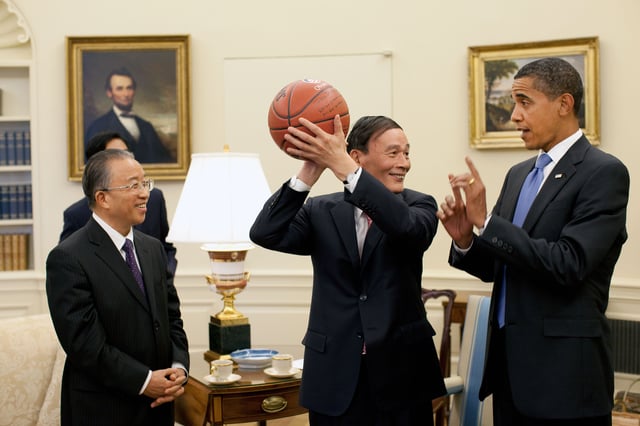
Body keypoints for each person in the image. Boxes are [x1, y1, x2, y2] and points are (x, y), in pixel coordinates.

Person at [438, 57, 629, 425]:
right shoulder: (519, 173)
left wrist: (489, 222)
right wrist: (466, 240)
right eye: (514, 103)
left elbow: (569, 264)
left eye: (525, 102)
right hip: (510, 374)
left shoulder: (604, 172)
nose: (514, 116)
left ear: (564, 104)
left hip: (566, 380)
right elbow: (501, 264)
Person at [250, 115, 446, 425]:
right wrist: (309, 171)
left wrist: (345, 169)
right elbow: (264, 232)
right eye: (393, 153)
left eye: (406, 153)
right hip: (334, 375)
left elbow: (406, 230)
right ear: (358, 157)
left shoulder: (419, 206)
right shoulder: (319, 211)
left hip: (403, 376)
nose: (404, 163)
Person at [46, 149, 189, 426]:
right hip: (103, 409)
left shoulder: (152, 248)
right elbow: (85, 346)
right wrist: (146, 381)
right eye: (133, 185)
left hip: (159, 407)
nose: (144, 193)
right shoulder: (68, 258)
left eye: (145, 183)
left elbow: (172, 318)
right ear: (103, 198)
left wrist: (178, 368)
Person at [61, 131, 177, 277]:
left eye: (127, 153)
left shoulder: (154, 201)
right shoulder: (76, 218)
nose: (144, 194)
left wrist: (163, 280)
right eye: (115, 155)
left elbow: (166, 249)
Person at [85, 67, 174, 164]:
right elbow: (92, 167)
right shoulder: (98, 127)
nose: (126, 94)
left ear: (134, 91)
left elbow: (164, 161)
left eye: (129, 88)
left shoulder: (147, 127)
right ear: (109, 93)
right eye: (120, 89)